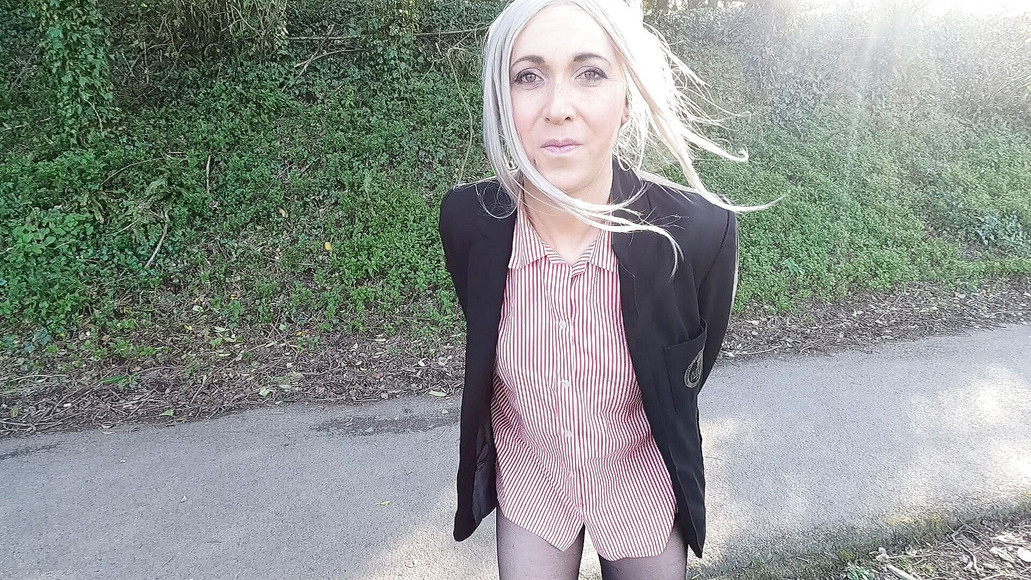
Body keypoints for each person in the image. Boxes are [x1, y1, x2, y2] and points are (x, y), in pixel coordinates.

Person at [438, 1, 770, 578]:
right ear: (503, 99)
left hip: (641, 481)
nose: (557, 107)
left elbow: (687, 366)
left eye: (590, 72)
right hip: (531, 484)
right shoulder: (470, 221)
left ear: (626, 98)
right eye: (528, 76)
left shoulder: (697, 232)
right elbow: (481, 320)